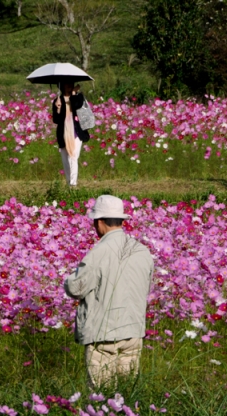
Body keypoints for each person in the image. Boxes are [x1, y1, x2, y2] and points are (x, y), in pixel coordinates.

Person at [64, 195, 154, 388]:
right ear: (121, 220)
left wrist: (69, 277)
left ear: (99, 222)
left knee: (102, 396)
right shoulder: (142, 251)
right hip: (133, 332)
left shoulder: (99, 252)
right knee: (127, 391)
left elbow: (75, 288)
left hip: (103, 336)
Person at [52, 81, 91, 187]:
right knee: (65, 160)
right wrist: (58, 108)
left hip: (76, 132)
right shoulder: (57, 100)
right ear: (62, 86)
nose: (68, 86)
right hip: (63, 134)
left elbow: (76, 105)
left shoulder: (79, 97)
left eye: (70, 84)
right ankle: (69, 182)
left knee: (73, 157)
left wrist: (74, 93)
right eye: (66, 84)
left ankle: (73, 184)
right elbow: (56, 120)